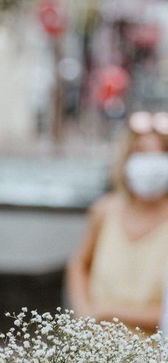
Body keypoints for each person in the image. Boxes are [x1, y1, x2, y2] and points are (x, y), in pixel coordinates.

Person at [67, 111, 168, 333]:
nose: (152, 162)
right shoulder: (104, 211)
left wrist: (107, 313)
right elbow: (79, 265)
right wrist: (83, 312)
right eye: (141, 151)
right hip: (96, 351)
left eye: (162, 152)